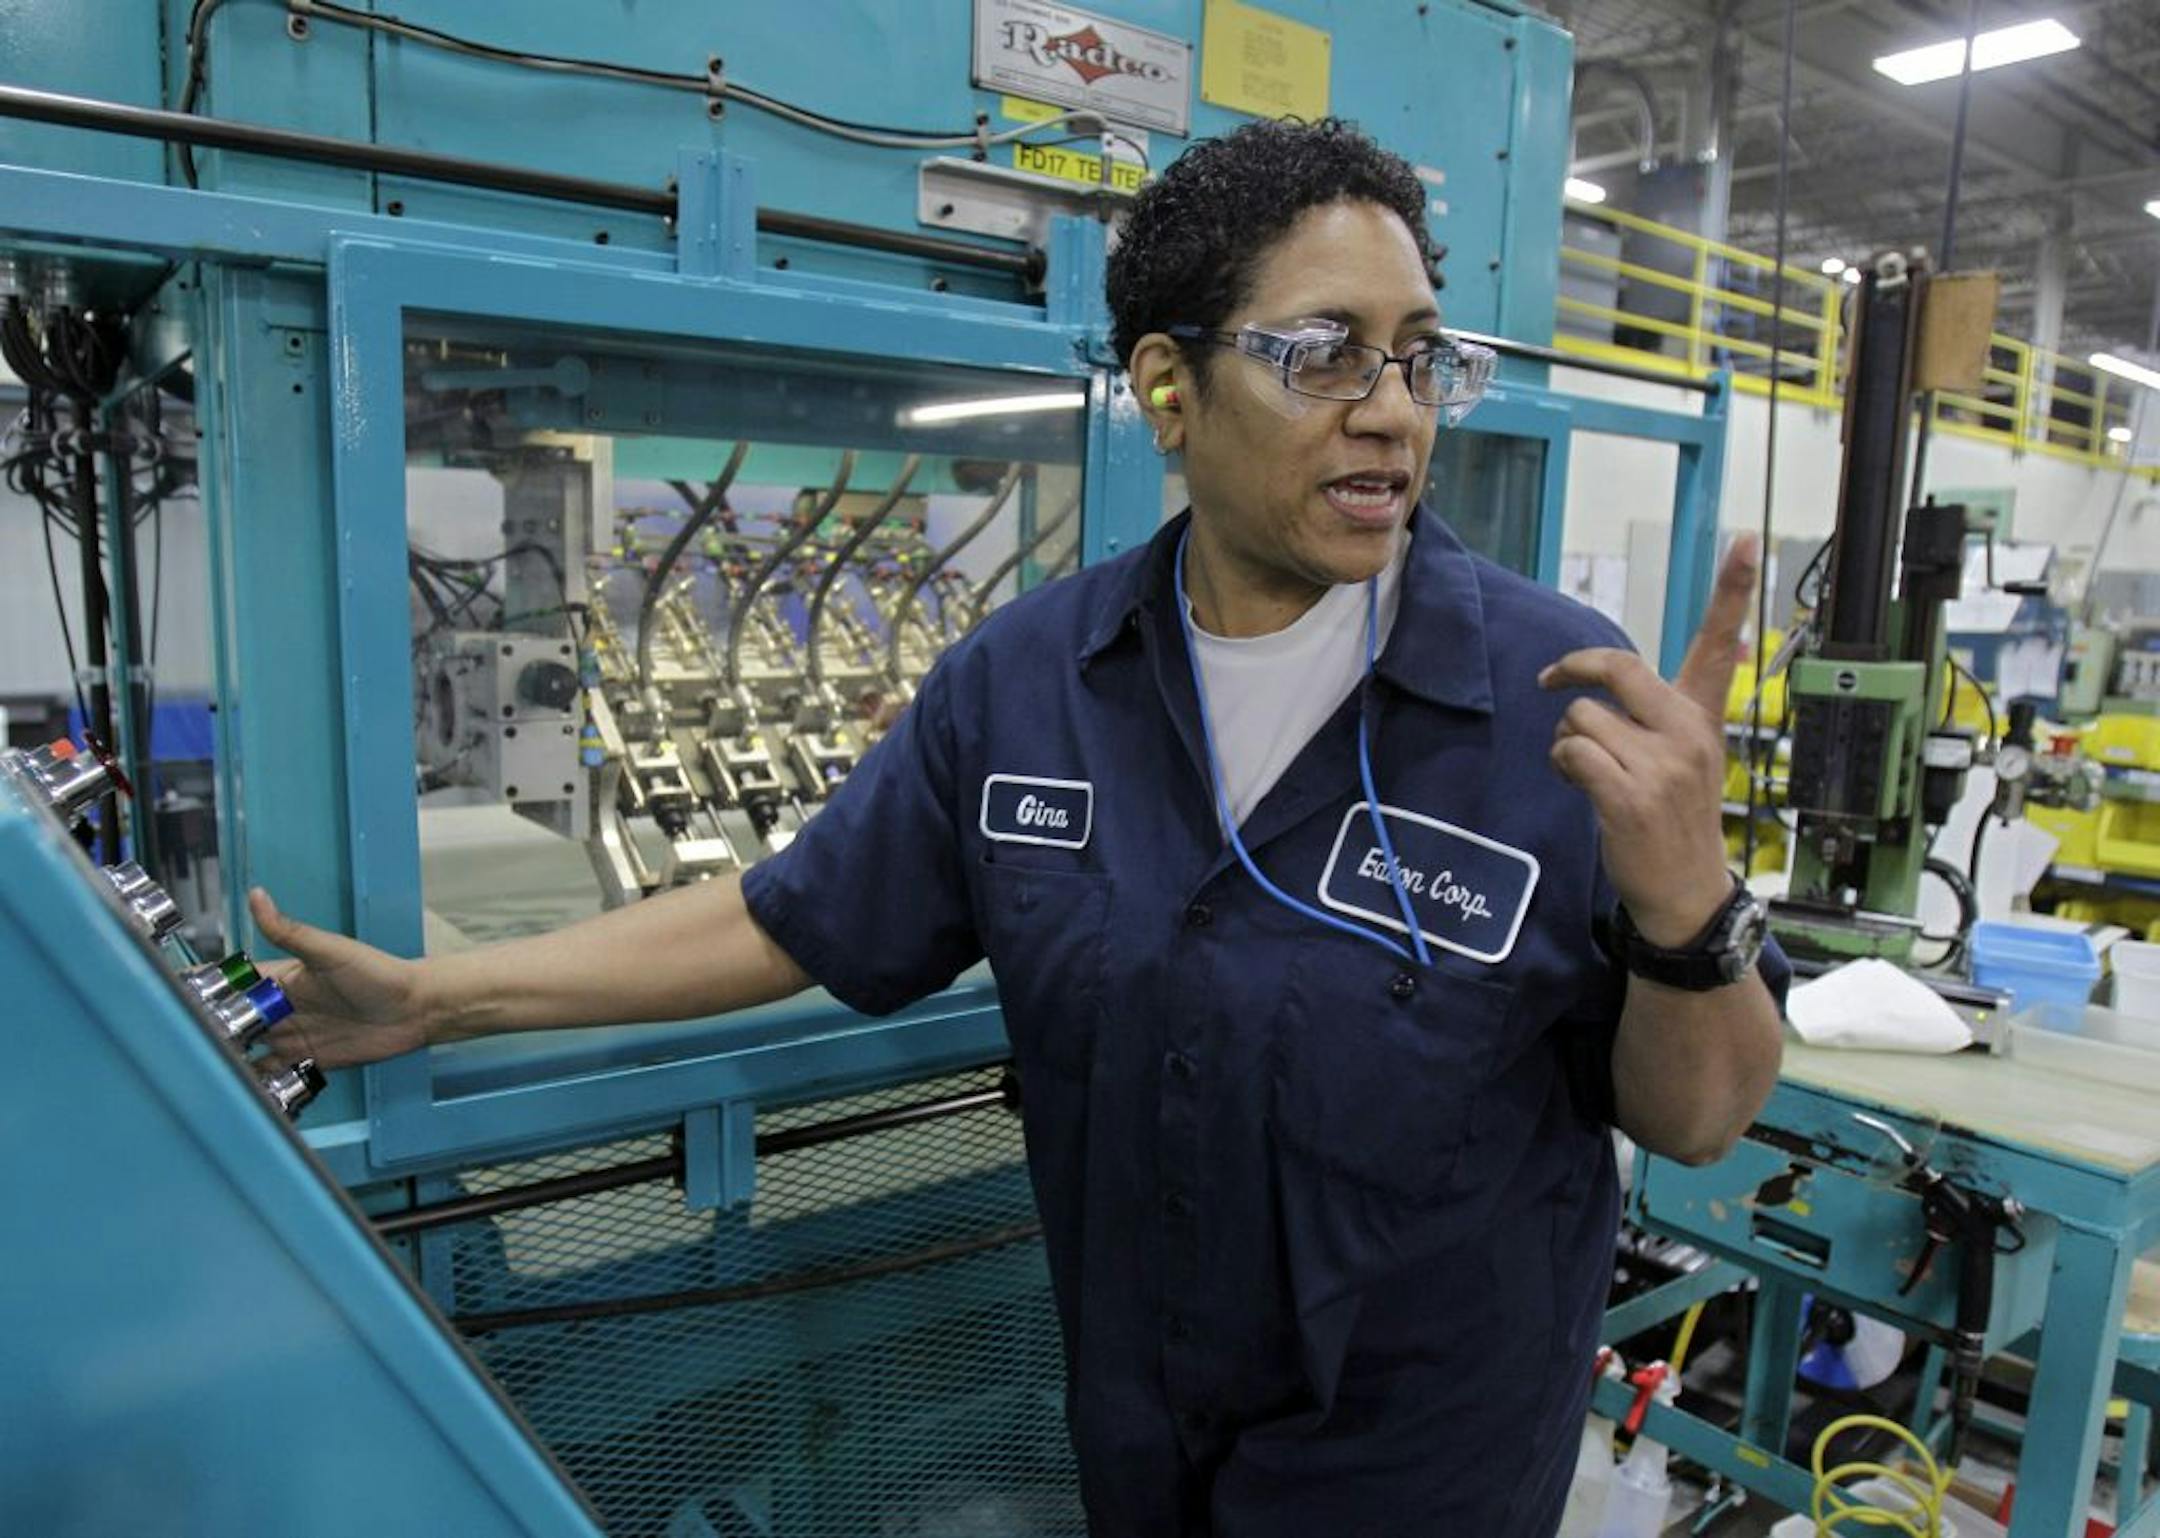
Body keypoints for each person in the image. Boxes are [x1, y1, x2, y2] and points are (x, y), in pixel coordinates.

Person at [252, 118, 1787, 1537]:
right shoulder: (1035, 683)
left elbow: (1698, 1115)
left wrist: (1686, 904)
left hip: (1422, 1485)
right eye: (1322, 354)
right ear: (1168, 390)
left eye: (1417, 357)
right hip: (1144, 1452)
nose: (1389, 411)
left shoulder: (1558, 700)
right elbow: (785, 914)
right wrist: (446, 995)